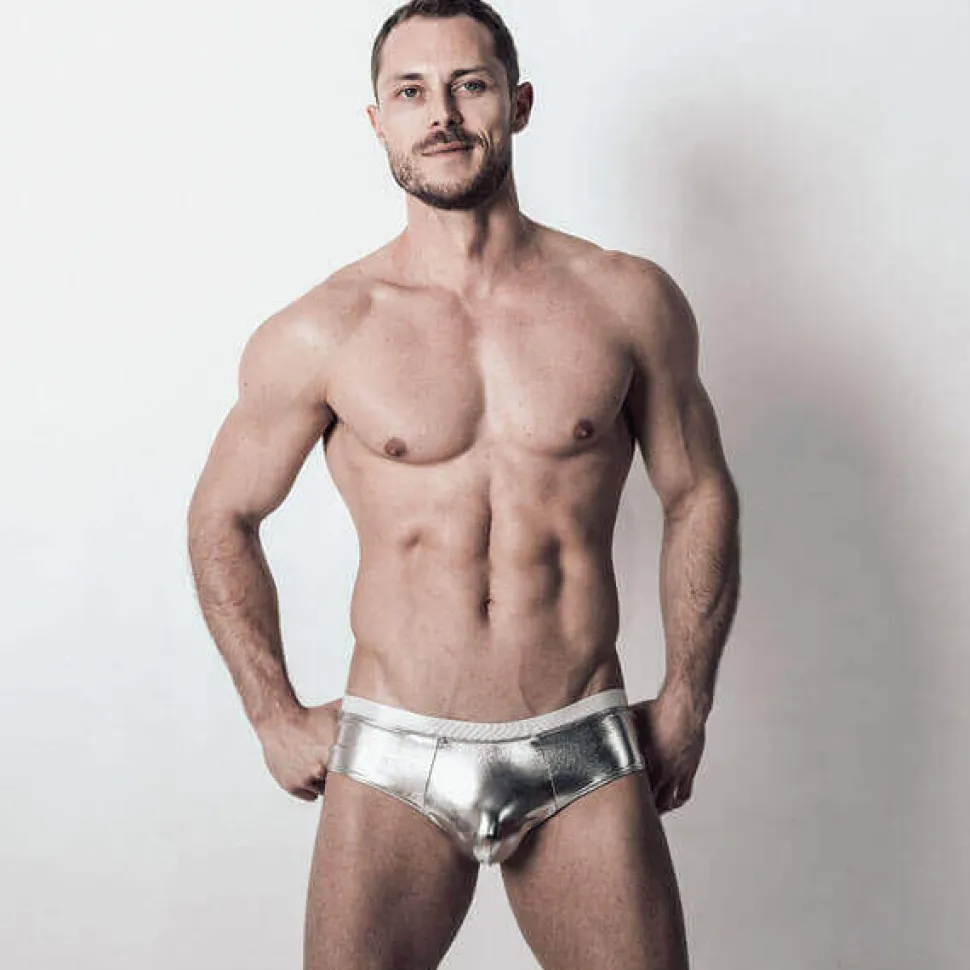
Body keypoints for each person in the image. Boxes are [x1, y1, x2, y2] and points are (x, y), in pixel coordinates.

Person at [186, 1, 741, 967]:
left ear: (517, 104)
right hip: (393, 749)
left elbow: (698, 493)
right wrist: (272, 714)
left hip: (580, 740)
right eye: (410, 92)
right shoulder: (324, 329)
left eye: (468, 85)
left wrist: (689, 697)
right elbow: (222, 516)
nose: (440, 114)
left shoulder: (625, 299)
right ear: (378, 122)